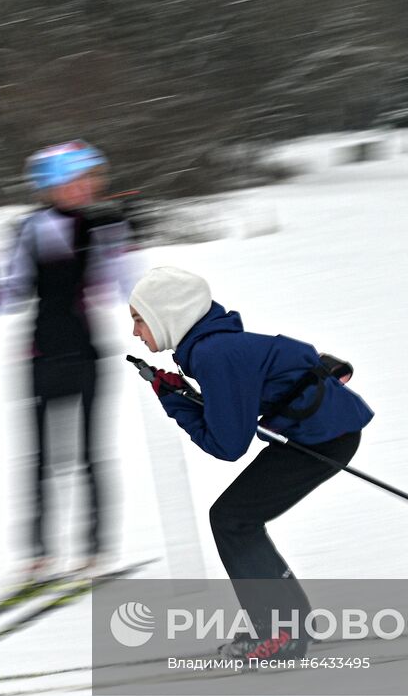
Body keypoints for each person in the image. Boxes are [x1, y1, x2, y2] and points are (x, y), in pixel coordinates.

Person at [128, 266, 373, 662]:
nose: (136, 332)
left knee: (233, 519)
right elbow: (235, 410)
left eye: (140, 319)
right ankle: (287, 624)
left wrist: (174, 401)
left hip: (326, 437)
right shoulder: (211, 348)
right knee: (234, 518)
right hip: (322, 431)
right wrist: (182, 393)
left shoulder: (213, 354)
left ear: (168, 314)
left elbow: (227, 444)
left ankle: (283, 631)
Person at [0, 141, 137, 580]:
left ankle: (95, 550)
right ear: (51, 186)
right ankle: (38, 553)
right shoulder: (28, 229)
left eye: (91, 178)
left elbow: (125, 286)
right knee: (41, 456)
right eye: (75, 180)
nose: (87, 186)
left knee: (91, 452)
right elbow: (7, 293)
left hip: (88, 350)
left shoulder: (106, 225)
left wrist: (129, 241)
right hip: (40, 352)